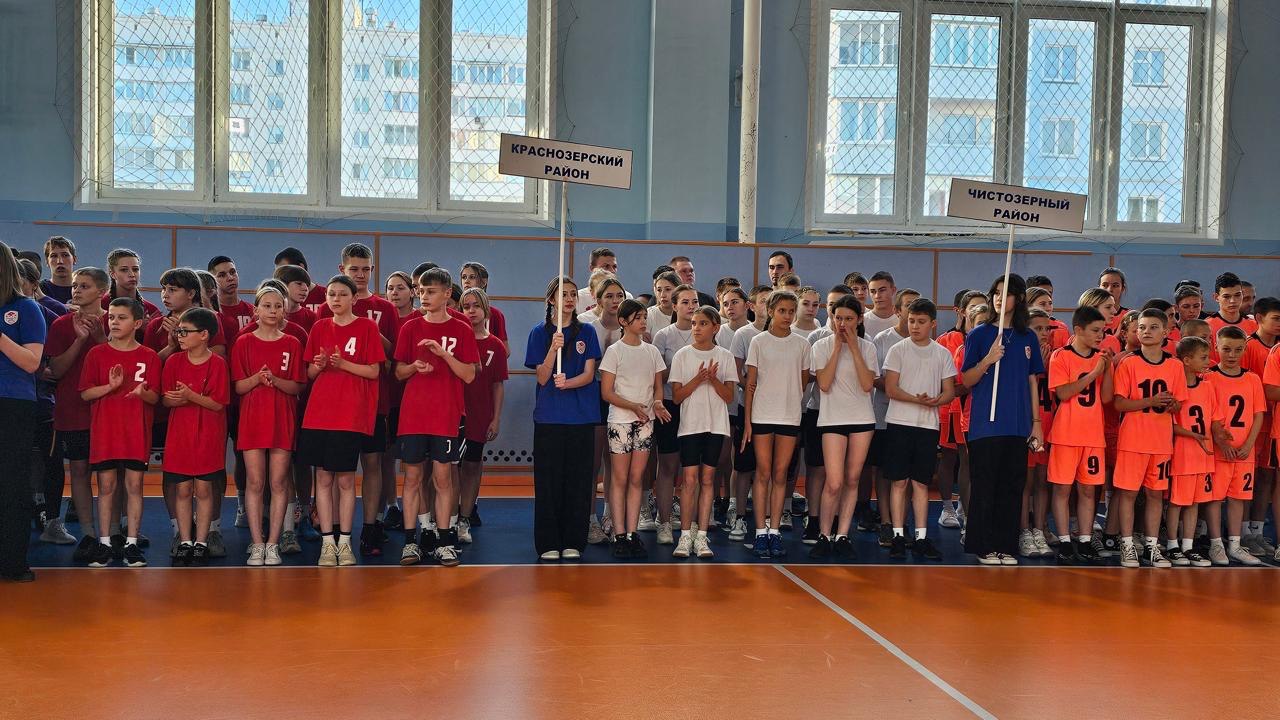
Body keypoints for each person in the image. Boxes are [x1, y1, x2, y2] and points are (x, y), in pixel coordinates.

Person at [394, 268, 477, 567]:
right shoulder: (410, 328)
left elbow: (469, 374)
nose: (424, 296)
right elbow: (398, 372)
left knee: (443, 479)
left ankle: (445, 542)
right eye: (421, 291)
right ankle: (410, 542)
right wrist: (414, 367)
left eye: (430, 291)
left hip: (445, 414)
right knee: (413, 478)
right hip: (413, 415)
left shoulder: (462, 328)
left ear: (446, 294)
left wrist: (443, 355)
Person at [318, 243, 398, 557]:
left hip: (374, 400)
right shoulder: (328, 307)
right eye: (354, 269)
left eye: (366, 269)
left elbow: (394, 353)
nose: (361, 275)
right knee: (339, 469)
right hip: (338, 405)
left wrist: (367, 330)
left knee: (373, 462)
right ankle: (338, 530)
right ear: (342, 270)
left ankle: (372, 525)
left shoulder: (385, 308)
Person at [299, 275, 384, 567]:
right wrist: (320, 366)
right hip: (319, 413)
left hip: (349, 414)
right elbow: (309, 373)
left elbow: (373, 371)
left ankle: (345, 541)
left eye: (342, 294)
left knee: (346, 479)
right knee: (323, 479)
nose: (336, 299)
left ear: (354, 298)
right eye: (332, 294)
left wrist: (343, 364)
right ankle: (327, 542)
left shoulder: (367, 327)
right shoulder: (320, 327)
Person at [960, 273, 1045, 566]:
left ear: (1018, 298)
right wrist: (988, 359)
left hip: (1017, 424)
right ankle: (984, 546)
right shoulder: (979, 335)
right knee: (985, 486)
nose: (998, 298)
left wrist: (1036, 423)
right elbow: (967, 379)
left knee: (1012, 487)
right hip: (986, 424)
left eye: (1005, 293)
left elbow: (1032, 381)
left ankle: (1005, 545)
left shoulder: (1027, 337)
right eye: (996, 292)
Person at [78, 297, 160, 568]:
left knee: (134, 486)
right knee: (106, 487)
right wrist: (110, 387)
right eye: (111, 317)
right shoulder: (97, 354)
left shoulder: (149, 356)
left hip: (136, 433)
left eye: (121, 317)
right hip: (106, 433)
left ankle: (131, 543)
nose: (113, 322)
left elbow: (155, 397)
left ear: (137, 323)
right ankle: (104, 543)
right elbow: (86, 393)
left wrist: (142, 393)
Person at [525, 276, 601, 562]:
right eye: (563, 295)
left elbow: (589, 375)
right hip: (550, 418)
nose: (569, 299)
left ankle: (573, 540)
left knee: (578, 481)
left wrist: (567, 383)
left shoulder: (587, 332)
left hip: (581, 418)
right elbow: (542, 377)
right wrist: (552, 350)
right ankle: (548, 542)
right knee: (549, 482)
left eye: (572, 294)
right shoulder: (539, 333)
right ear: (551, 300)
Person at [232, 286, 305, 567]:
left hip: (282, 419)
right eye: (267, 305)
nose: (273, 311)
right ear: (256, 310)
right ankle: (257, 542)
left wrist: (275, 379)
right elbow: (239, 387)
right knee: (255, 482)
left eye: (278, 306)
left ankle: (273, 543)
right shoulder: (244, 342)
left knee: (279, 482)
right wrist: (257, 379)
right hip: (253, 420)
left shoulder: (292, 343)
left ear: (284, 310)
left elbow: (297, 386)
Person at [1110, 309, 1188, 568]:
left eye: (1153, 327)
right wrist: (1151, 401)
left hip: (1161, 442)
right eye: (1142, 327)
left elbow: (1179, 404)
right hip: (1132, 441)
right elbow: (1119, 404)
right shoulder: (1128, 363)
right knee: (1128, 494)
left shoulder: (1175, 365)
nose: (1146, 331)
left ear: (1166, 332)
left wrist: (1172, 405)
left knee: (1156, 495)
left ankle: (1152, 547)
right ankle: (1127, 544)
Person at [882, 298, 955, 561]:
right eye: (911, 321)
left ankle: (922, 537)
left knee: (921, 483)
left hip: (927, 426)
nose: (915, 326)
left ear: (932, 324)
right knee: (899, 482)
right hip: (899, 423)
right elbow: (891, 388)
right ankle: (898, 535)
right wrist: (918, 400)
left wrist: (937, 400)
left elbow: (949, 391)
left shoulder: (942, 353)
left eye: (921, 322)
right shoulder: (898, 350)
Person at [743, 290, 813, 559]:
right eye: (782, 310)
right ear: (771, 311)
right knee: (763, 472)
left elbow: (803, 381)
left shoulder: (802, 344)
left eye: (791, 311)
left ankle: (775, 531)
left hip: (789, 416)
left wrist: (788, 398)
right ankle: (760, 532)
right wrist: (748, 422)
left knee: (781, 474)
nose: (787, 316)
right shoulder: (758, 342)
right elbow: (750, 384)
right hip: (762, 415)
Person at [46, 267, 110, 560]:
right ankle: (88, 534)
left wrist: (100, 338)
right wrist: (80, 340)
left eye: (84, 286)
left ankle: (114, 532)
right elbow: (56, 370)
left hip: (108, 411)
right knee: (80, 470)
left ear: (101, 291)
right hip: (73, 410)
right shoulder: (61, 325)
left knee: (112, 474)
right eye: (75, 286)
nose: (76, 291)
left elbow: (120, 366)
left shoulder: (116, 320)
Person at [807, 295, 876, 561]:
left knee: (852, 479)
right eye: (838, 318)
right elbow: (824, 384)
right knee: (834, 482)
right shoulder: (821, 345)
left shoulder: (867, 347)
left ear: (859, 320)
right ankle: (824, 535)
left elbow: (867, 384)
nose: (843, 324)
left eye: (848, 319)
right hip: (832, 419)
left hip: (861, 419)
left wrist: (854, 348)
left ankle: (843, 535)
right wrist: (837, 348)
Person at [161, 308, 230, 567]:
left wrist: (190, 396)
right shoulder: (173, 362)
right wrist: (178, 399)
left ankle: (202, 541)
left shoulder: (218, 364)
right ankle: (185, 540)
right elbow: (166, 399)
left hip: (208, 434)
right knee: (182, 489)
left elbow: (218, 403)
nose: (179, 335)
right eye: (178, 331)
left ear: (204, 335)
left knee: (203, 489)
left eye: (185, 331)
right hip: (180, 434)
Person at [599, 298, 668, 559]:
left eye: (644, 317)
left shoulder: (652, 352)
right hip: (620, 420)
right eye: (637, 318)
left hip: (645, 421)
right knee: (620, 478)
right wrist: (632, 406)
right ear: (623, 321)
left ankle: (631, 532)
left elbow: (658, 387)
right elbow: (607, 392)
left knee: (637, 478)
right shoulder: (615, 351)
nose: (643, 321)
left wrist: (657, 403)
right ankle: (619, 533)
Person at [1046, 306, 1112, 565]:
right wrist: (1094, 374)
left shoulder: (1101, 358)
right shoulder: (1061, 356)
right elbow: (1063, 393)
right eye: (1095, 331)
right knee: (1062, 489)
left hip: (1093, 435)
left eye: (1103, 331)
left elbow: (1106, 398)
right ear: (1078, 330)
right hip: (1065, 434)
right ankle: (1064, 541)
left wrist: (1107, 369)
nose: (1100, 336)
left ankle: (1084, 540)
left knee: (1087, 490)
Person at [669, 306, 736, 559]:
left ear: (715, 327)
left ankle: (702, 535)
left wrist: (713, 379)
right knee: (689, 481)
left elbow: (729, 397)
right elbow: (676, 397)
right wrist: (698, 379)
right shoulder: (682, 355)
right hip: (690, 426)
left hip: (715, 426)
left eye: (703, 323)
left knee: (708, 480)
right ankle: (685, 535)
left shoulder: (725, 356)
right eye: (694, 323)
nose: (696, 328)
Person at [0, 244, 47, 582]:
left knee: (11, 481)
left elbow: (31, 362)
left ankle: (12, 561)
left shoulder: (25, 308)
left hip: (12, 403)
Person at [1205, 326, 1267, 566]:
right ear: (1216, 348)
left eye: (1238, 350)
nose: (1232, 355)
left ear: (1245, 350)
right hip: (1218, 451)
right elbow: (1208, 414)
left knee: (1238, 498)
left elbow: (1258, 415)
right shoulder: (1209, 377)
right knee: (1214, 497)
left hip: (1244, 452)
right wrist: (1221, 442)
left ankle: (1235, 544)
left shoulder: (1252, 378)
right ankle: (1215, 544)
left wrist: (1249, 444)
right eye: (1226, 349)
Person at [869, 288, 919, 546]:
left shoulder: (926, 344)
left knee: (906, 473)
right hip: (884, 415)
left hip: (913, 418)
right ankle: (886, 522)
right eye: (909, 305)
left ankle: (903, 522)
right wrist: (897, 388)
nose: (913, 309)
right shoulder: (883, 339)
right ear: (898, 311)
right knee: (884, 470)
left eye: (917, 305)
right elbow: (874, 377)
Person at [652, 284, 701, 544]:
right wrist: (681, 367)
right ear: (674, 306)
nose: (691, 306)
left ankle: (692, 523)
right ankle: (664, 522)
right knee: (668, 465)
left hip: (697, 406)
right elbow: (658, 377)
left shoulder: (703, 332)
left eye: (694, 301)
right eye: (685, 302)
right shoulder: (663, 336)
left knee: (693, 468)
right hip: (671, 406)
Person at [458, 288, 507, 543]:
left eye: (476, 306)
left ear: (486, 309)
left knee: (471, 466)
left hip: (479, 415)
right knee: (447, 470)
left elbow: (498, 385)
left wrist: (495, 419)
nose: (471, 311)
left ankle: (464, 518)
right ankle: (445, 519)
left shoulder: (495, 345)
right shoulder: (455, 340)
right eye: (466, 306)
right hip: (453, 413)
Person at [726, 284, 772, 540]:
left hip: (776, 411)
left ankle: (770, 519)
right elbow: (737, 373)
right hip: (749, 408)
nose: (768, 305)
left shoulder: (785, 335)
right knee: (744, 465)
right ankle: (740, 516)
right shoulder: (744, 335)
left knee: (771, 467)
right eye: (763, 301)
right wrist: (754, 388)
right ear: (753, 306)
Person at [1167, 335, 1218, 567]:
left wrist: (1221, 435)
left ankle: (1188, 546)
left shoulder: (1207, 386)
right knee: (1177, 502)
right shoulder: (1175, 389)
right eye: (1203, 357)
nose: (1208, 361)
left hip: (1202, 454)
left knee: (1194, 502)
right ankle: (1172, 545)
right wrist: (1192, 435)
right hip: (1183, 454)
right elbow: (1169, 424)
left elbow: (1214, 418)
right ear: (1187, 360)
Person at [102, 248, 161, 321]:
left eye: (135, 269)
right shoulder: (100, 306)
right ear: (112, 274)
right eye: (124, 270)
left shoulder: (151, 311)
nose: (132, 274)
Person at [459, 261, 508, 341]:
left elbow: (504, 346)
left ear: (484, 282)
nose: (466, 281)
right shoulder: (456, 312)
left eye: (472, 277)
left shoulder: (495, 314)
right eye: (464, 277)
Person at [209, 255, 253, 335]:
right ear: (213, 281)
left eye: (233, 272)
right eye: (222, 275)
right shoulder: (210, 314)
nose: (230, 278)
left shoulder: (253, 311)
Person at [1206, 272, 1257, 341]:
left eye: (1237, 295)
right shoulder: (1207, 326)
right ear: (1216, 297)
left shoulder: (1254, 325)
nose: (1233, 301)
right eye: (1226, 296)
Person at [41, 236, 77, 305]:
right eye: (54, 256)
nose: (60, 261)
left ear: (74, 259)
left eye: (65, 255)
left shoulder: (84, 290)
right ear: (47, 262)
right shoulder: (39, 290)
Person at [863, 271, 898, 338]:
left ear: (893, 290)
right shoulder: (862, 322)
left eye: (882, 290)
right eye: (873, 292)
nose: (877, 296)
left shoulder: (903, 320)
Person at [648, 270, 679, 336]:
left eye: (667, 289)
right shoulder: (649, 314)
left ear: (678, 290)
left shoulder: (687, 312)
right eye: (659, 290)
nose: (662, 295)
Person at [1098, 267, 1129, 333]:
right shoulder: (1090, 316)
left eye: (1115, 286)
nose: (1109, 290)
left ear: (1122, 289)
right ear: (1099, 288)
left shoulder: (1129, 316)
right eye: (1105, 285)